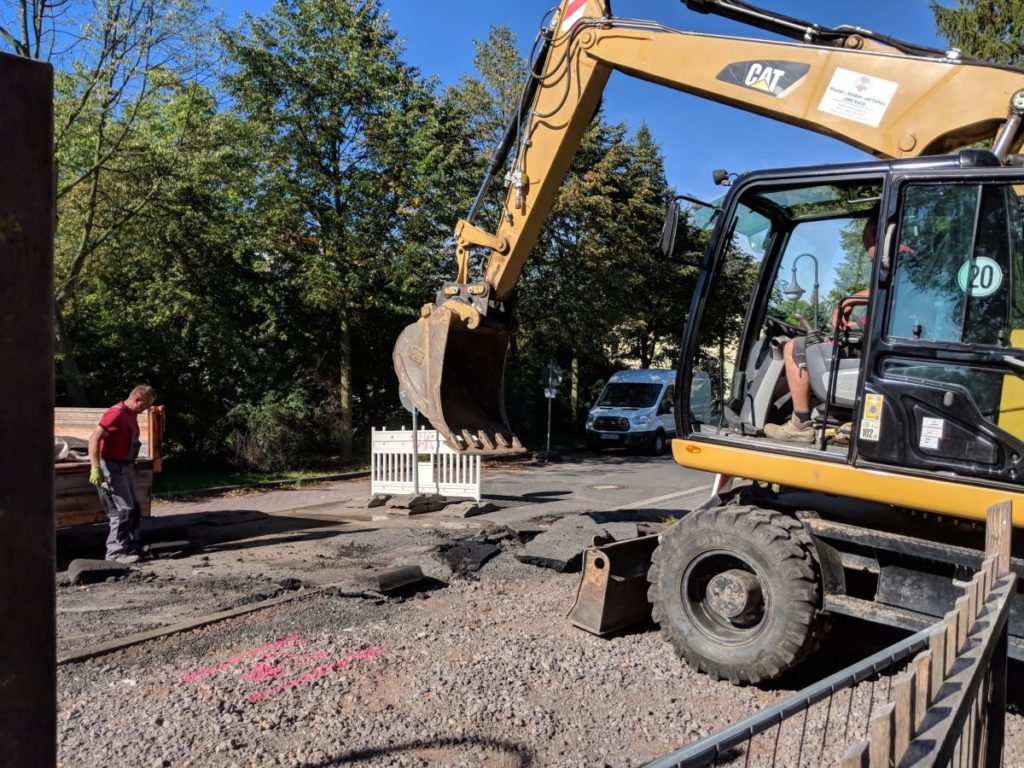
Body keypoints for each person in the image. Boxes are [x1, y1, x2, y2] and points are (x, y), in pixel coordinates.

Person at [764, 215, 877, 443]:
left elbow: (889, 291)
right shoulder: (909, 261)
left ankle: (800, 424)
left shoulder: (898, 259)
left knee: (794, 348)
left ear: (875, 236)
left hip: (874, 350)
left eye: (867, 247)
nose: (868, 254)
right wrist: (852, 326)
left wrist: (849, 301)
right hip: (873, 342)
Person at [88, 385, 156, 563]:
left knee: (134, 509)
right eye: (145, 405)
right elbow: (94, 438)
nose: (145, 409)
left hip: (125, 467)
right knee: (122, 511)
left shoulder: (131, 414)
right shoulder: (116, 414)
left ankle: (130, 546)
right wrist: (95, 467)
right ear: (137, 399)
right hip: (112, 469)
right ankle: (115, 553)